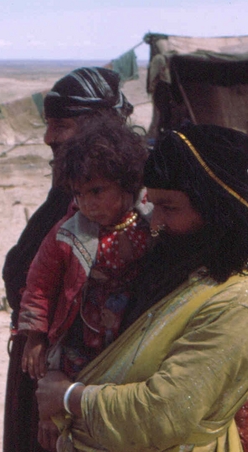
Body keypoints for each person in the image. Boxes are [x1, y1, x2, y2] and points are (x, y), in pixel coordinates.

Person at [35, 123, 248, 452]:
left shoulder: (241, 297)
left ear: (215, 206)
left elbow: (165, 411)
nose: (155, 221)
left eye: (170, 208)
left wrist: (67, 397)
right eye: (153, 204)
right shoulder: (175, 265)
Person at [2, 67, 133, 452]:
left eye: (61, 125)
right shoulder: (71, 196)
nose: (48, 138)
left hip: (76, 380)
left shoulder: (114, 202)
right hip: (42, 368)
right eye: (48, 125)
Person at [18, 117, 152, 416]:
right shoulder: (68, 233)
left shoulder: (151, 224)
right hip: (84, 341)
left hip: (136, 337)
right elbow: (39, 284)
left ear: (126, 182)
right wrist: (35, 337)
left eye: (96, 191)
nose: (87, 203)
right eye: (79, 194)